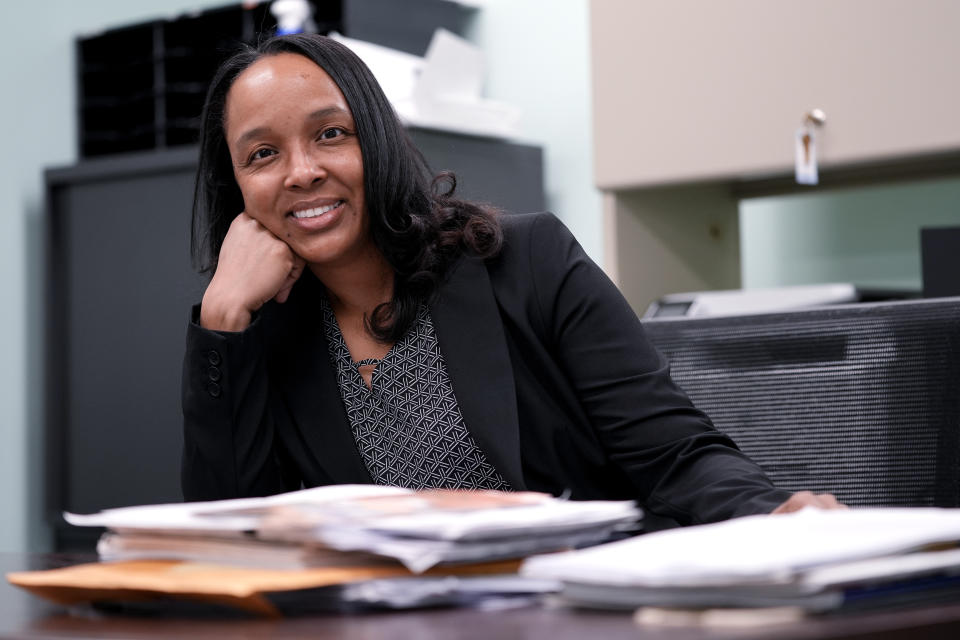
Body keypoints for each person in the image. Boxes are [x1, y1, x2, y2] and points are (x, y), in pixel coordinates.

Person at [182, 33, 840, 523]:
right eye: (262, 154)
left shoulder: (528, 263)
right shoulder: (263, 335)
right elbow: (230, 532)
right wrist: (221, 322)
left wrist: (771, 520)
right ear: (237, 184)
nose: (300, 172)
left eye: (330, 134)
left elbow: (673, 456)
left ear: (376, 143)